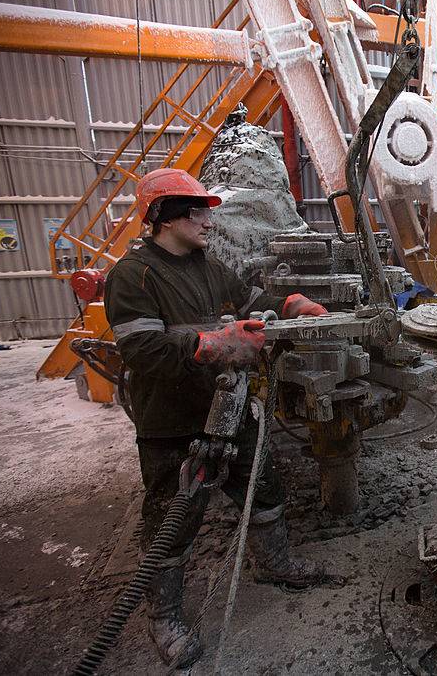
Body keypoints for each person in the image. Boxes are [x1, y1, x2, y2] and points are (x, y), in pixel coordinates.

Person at [104, 168, 328, 668]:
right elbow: (141, 351)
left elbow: (249, 302)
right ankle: (164, 618)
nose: (209, 219)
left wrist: (290, 304)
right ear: (164, 217)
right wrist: (215, 344)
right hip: (174, 419)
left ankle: (274, 564)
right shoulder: (132, 275)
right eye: (198, 210)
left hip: (226, 406)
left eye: (208, 209)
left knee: (262, 486)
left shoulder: (208, 264)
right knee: (173, 518)